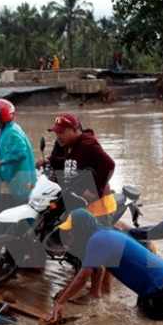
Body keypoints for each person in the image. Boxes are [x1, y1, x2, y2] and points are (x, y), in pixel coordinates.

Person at [39, 112, 117, 303]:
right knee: (96, 244)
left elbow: (109, 163)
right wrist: (49, 161)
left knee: (93, 245)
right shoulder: (73, 146)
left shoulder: (87, 144)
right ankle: (106, 290)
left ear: (75, 130)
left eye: (62, 132)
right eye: (56, 132)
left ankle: (95, 293)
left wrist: (95, 190)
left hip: (99, 205)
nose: (58, 136)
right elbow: (68, 164)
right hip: (88, 203)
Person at [44, 209, 163, 322]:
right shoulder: (102, 234)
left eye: (72, 229)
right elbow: (94, 270)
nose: (71, 234)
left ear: (82, 226)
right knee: (141, 316)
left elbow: (82, 278)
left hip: (158, 283)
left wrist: (60, 303)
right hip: (154, 281)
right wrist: (66, 291)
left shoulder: (97, 240)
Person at [0, 99, 37, 237]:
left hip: (19, 180)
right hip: (9, 179)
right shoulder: (5, 130)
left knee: (21, 213)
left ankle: (29, 243)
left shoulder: (12, 131)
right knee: (7, 210)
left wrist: (1, 162)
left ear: (3, 116)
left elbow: (20, 150)